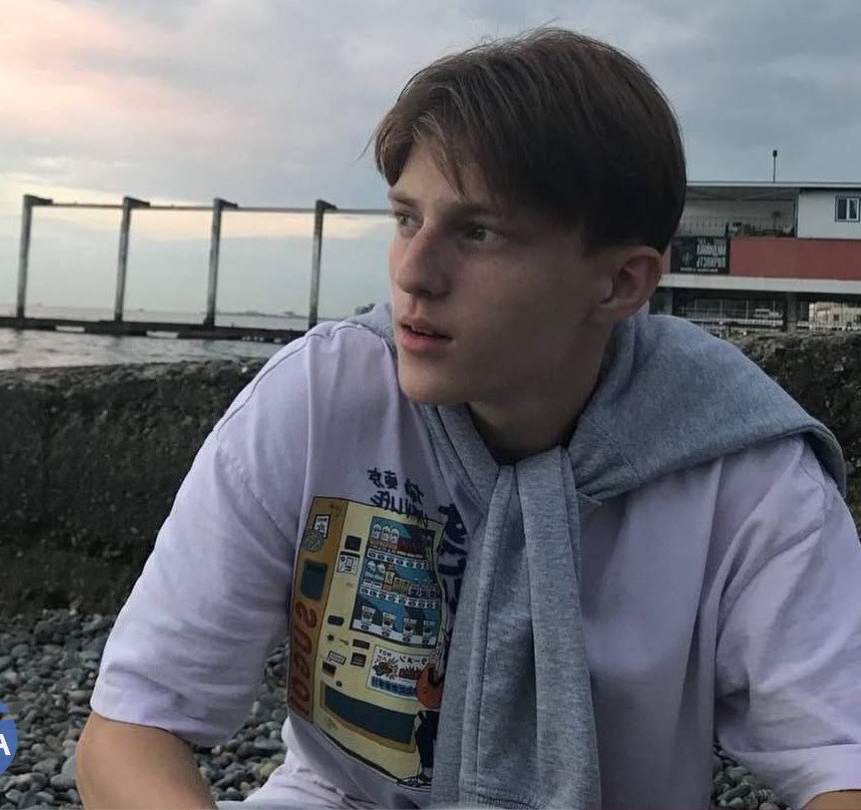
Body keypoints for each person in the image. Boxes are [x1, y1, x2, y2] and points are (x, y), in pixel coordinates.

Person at [74, 28, 861, 810]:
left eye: (477, 232)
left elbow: (842, 762)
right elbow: (128, 731)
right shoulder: (319, 400)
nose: (413, 275)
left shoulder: (742, 471)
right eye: (406, 219)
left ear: (621, 283)